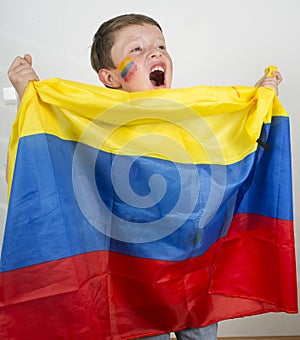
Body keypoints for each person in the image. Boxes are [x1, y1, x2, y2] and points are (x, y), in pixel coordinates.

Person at [7, 13, 282, 340]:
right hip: (133, 278)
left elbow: (234, 143)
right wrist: (30, 96)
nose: (155, 53)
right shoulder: (99, 124)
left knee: (201, 335)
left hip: (194, 266)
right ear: (110, 78)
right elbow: (55, 150)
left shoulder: (194, 115)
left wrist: (256, 104)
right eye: (136, 49)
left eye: (160, 45)